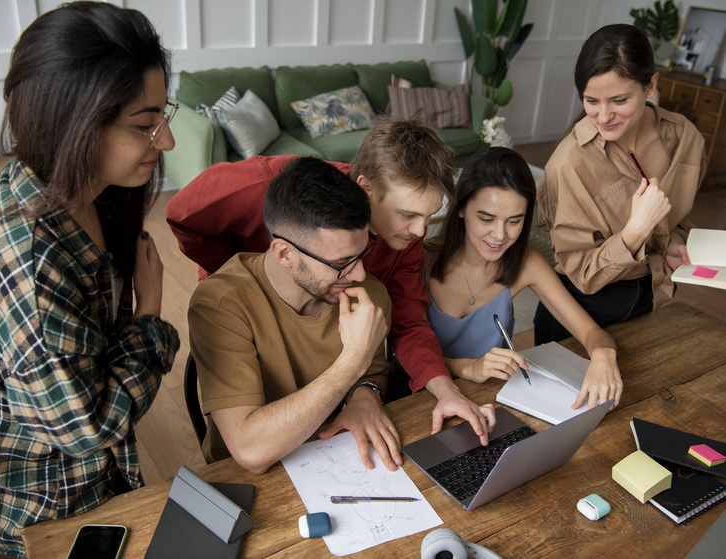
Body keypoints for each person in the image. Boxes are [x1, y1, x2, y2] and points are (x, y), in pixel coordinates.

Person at [0, 3, 180, 556]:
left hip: (103, 483)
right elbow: (88, 431)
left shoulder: (93, 189)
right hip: (49, 505)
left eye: (164, 115)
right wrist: (151, 312)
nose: (164, 142)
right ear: (72, 120)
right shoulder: (33, 265)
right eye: (145, 125)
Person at [167, 116, 497, 441]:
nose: (420, 231)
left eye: (429, 216)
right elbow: (184, 215)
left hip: (324, 344)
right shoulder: (275, 185)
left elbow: (408, 324)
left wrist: (445, 391)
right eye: (408, 215)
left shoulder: (403, 242)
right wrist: (245, 276)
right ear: (366, 189)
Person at [188, 157, 397, 474]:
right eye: (342, 262)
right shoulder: (220, 304)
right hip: (250, 480)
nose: (359, 274)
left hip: (339, 459)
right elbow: (250, 450)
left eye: (364, 252)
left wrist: (366, 397)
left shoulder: (369, 294)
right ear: (285, 254)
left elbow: (373, 374)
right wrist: (353, 359)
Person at [534, 23, 706, 344]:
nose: (603, 116)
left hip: (654, 300)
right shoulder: (567, 165)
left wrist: (673, 241)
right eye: (591, 101)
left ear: (651, 85)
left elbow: (676, 217)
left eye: (618, 100)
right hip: (581, 315)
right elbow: (582, 273)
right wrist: (634, 233)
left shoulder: (687, 139)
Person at [426, 148, 622, 410]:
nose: (499, 235)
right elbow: (401, 354)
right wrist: (468, 367)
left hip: (489, 400)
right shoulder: (421, 258)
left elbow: (592, 333)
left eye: (514, 221)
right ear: (460, 208)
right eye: (486, 218)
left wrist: (603, 356)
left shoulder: (527, 262)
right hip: (421, 397)